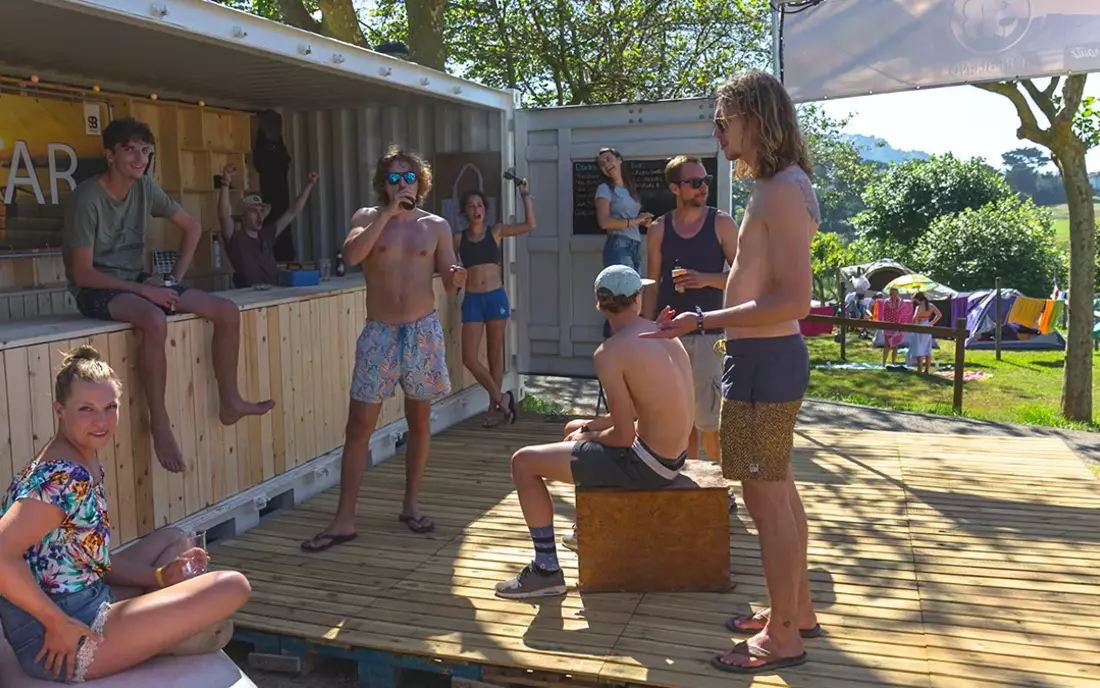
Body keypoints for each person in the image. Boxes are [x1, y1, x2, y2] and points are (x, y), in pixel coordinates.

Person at [643, 70, 821, 673]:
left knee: (765, 498)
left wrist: (701, 320)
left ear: (755, 118)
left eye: (724, 122)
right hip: (757, 360)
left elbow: (797, 298)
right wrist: (708, 318)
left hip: (764, 363)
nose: (717, 134)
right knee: (778, 488)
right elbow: (761, 281)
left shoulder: (780, 192)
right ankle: (794, 611)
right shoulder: (781, 185)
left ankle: (783, 637)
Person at [0, 346, 251, 684]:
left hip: (86, 596)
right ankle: (167, 635)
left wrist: (161, 577)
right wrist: (57, 623)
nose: (101, 421)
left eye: (110, 408)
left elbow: (90, 559)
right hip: (58, 640)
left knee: (174, 538)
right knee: (233, 586)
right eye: (86, 409)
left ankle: (159, 619)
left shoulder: (82, 459)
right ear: (60, 410)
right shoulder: (64, 478)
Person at [62, 117, 274, 475]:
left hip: (136, 281)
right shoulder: (88, 198)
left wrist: (174, 279)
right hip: (95, 289)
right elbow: (82, 273)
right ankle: (159, 423)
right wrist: (147, 290)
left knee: (226, 311)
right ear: (109, 155)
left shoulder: (144, 187)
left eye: (145, 151)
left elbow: (191, 227)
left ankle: (230, 401)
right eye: (129, 149)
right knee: (154, 318)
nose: (139, 158)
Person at [299, 146, 466, 551]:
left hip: (422, 331)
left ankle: (411, 505)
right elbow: (353, 255)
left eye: (409, 178)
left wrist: (456, 276)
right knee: (359, 426)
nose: (402, 184)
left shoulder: (437, 225)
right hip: (380, 333)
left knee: (420, 423)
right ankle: (344, 520)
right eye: (394, 178)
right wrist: (389, 213)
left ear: (420, 182)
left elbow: (448, 277)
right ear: (382, 183)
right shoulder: (367, 218)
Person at [494, 265, 694, 600]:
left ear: (599, 304)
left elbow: (623, 437)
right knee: (573, 427)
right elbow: (633, 413)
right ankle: (583, 529)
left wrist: (589, 437)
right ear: (638, 300)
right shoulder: (663, 332)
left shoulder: (611, 352)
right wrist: (585, 429)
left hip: (646, 464)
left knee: (523, 463)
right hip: (673, 457)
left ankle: (546, 570)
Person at [643, 155, 738, 463]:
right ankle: (692, 486)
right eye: (695, 183)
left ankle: (720, 490)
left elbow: (743, 280)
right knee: (681, 420)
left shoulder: (721, 222)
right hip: (670, 337)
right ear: (675, 187)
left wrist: (706, 280)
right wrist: (644, 331)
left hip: (709, 335)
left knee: (710, 422)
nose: (702, 188)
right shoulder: (659, 229)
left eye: (705, 181)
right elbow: (652, 285)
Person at [454, 180, 536, 428]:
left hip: (495, 297)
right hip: (472, 299)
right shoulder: (457, 238)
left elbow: (530, 225)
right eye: (471, 206)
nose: (476, 209)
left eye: (480, 205)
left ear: (485, 210)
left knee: (494, 355)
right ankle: (502, 399)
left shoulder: (496, 231)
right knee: (469, 357)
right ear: (465, 212)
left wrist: (525, 195)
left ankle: (493, 409)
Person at [217, 163, 318, 288]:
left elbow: (292, 212)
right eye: (254, 211)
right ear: (242, 216)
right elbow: (224, 215)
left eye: (261, 211)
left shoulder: (266, 235)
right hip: (249, 297)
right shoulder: (235, 238)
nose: (260, 215)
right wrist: (225, 182)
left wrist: (309, 184)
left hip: (274, 294)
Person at [594, 148, 653, 272]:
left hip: (636, 245)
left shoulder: (629, 188)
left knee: (636, 289)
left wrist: (642, 221)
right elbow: (604, 222)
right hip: (618, 245)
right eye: (602, 164)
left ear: (619, 160)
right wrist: (635, 221)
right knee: (623, 290)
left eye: (609, 159)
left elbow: (631, 218)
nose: (606, 165)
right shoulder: (604, 189)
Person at [908, 291, 941, 373]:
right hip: (927, 324)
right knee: (927, 347)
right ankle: (927, 369)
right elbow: (939, 314)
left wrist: (915, 326)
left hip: (920, 325)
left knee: (919, 347)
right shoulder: (931, 306)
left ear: (917, 299)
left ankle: (919, 369)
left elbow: (915, 318)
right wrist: (932, 323)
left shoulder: (919, 307)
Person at [879, 287, 910, 366]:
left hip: (898, 325)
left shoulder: (901, 302)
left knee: (895, 345)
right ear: (890, 294)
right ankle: (884, 363)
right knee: (887, 344)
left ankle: (893, 363)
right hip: (888, 325)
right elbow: (883, 314)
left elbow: (904, 313)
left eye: (896, 293)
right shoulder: (886, 302)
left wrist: (902, 323)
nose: (895, 295)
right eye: (893, 293)